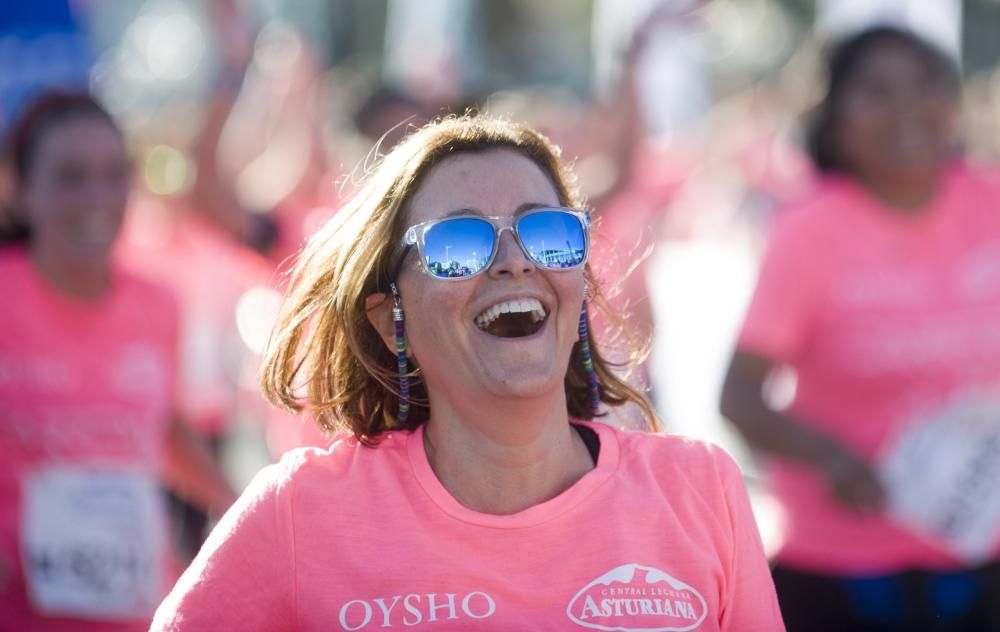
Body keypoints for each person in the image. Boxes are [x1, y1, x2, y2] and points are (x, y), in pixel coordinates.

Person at [151, 115, 783, 630]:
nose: (514, 262)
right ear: (384, 316)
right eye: (458, 244)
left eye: (548, 233)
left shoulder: (703, 490)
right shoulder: (297, 512)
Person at [720, 26, 1000, 632]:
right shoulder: (810, 228)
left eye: (924, 85)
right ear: (836, 119)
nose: (906, 108)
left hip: (981, 556)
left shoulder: (991, 202)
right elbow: (738, 397)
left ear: (952, 103)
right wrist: (833, 459)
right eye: (876, 90)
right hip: (841, 572)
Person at [0, 91, 236, 630]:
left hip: (138, 612)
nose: (97, 197)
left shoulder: (159, 303)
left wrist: (246, 505)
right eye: (70, 177)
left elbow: (163, 431)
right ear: (19, 189)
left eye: (113, 174)